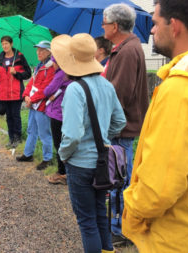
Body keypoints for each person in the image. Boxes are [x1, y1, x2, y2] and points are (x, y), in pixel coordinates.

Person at [122, 1, 188, 252]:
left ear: (174, 26)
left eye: (154, 23)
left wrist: (131, 213)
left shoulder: (181, 88)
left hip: (175, 238)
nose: (151, 31)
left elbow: (159, 188)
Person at [54, 33, 126, 253]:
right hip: (103, 163)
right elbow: (120, 121)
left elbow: (73, 135)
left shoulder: (75, 89)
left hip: (80, 165)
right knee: (99, 214)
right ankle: (107, 250)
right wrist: (103, 137)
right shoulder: (106, 85)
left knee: (86, 222)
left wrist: (63, 155)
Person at [102, 3, 149, 243]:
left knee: (121, 178)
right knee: (119, 176)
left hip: (121, 127)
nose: (102, 27)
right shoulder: (124, 48)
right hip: (122, 126)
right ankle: (119, 224)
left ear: (115, 26)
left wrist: (103, 122)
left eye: (105, 23)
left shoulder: (127, 51)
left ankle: (122, 228)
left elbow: (119, 94)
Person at [16, 41, 55, 171]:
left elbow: (45, 89)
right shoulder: (39, 66)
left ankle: (47, 158)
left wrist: (31, 99)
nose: (38, 53)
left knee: (44, 133)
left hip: (42, 106)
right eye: (37, 50)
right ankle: (28, 154)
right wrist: (26, 96)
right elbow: (31, 83)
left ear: (49, 52)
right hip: (33, 104)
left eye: (42, 50)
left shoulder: (51, 68)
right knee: (31, 130)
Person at [0, 35, 31, 148]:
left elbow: (28, 73)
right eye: (3, 44)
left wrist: (16, 73)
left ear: (11, 44)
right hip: (4, 93)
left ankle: (17, 138)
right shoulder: (0, 59)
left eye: (6, 44)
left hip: (16, 92)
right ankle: (11, 138)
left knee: (15, 115)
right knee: (8, 116)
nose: (4, 46)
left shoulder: (19, 57)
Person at [44, 56, 71, 185]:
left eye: (54, 62)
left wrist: (50, 91)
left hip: (58, 113)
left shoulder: (61, 74)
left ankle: (62, 172)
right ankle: (66, 171)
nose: (53, 65)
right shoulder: (71, 72)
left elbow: (47, 90)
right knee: (64, 142)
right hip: (65, 113)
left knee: (58, 143)